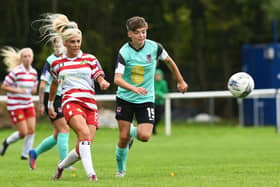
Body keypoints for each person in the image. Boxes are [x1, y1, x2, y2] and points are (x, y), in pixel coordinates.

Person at [114, 16, 188, 177]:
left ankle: (134, 133)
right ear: (130, 34)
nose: (141, 35)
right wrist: (134, 88)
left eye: (144, 32)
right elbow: (117, 79)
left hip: (146, 99)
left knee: (145, 136)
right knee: (122, 138)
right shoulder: (124, 52)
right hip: (125, 98)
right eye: (137, 33)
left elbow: (169, 62)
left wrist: (181, 81)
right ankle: (121, 170)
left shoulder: (155, 47)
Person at [40, 13, 110, 181]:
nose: (76, 44)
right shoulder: (57, 64)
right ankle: (91, 175)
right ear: (65, 43)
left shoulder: (90, 59)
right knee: (84, 134)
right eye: (72, 42)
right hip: (71, 102)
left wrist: (102, 82)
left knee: (83, 146)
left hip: (90, 104)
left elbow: (99, 75)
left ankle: (60, 167)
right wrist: (50, 104)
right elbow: (55, 84)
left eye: (78, 41)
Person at [28, 37, 72, 170]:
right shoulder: (50, 61)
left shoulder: (67, 58)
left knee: (57, 134)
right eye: (57, 44)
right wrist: (41, 104)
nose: (60, 47)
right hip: (51, 98)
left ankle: (34, 153)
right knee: (64, 129)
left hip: (61, 97)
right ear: (54, 46)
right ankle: (65, 164)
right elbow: (42, 85)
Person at [0, 47, 38, 160]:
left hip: (28, 103)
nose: (27, 58)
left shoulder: (34, 72)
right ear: (21, 59)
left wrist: (34, 90)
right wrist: (17, 90)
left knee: (31, 130)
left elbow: (34, 86)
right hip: (16, 105)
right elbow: (4, 86)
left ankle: (25, 154)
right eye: (24, 56)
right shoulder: (16, 72)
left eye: (29, 56)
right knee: (23, 132)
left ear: (32, 58)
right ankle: (6, 142)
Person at [154, 69, 168, 134]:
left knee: (158, 118)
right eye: (156, 75)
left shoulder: (164, 83)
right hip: (152, 103)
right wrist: (157, 94)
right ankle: (153, 130)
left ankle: (153, 128)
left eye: (159, 75)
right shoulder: (152, 82)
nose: (158, 76)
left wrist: (158, 94)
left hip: (160, 102)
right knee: (152, 117)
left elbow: (165, 92)